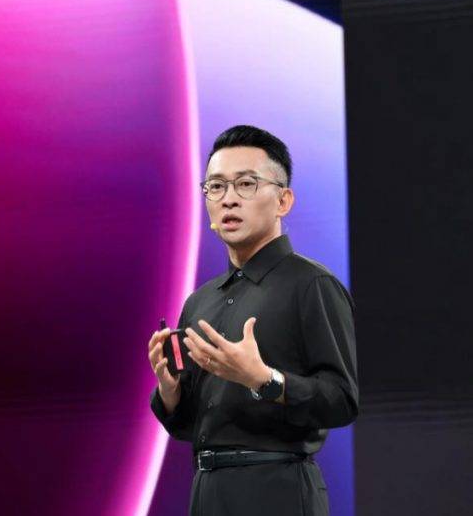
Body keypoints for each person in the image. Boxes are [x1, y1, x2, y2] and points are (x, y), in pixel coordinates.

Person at [146, 125, 359, 516]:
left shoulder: (312, 284)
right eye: (215, 187)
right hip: (207, 490)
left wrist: (263, 379)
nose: (228, 199)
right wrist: (171, 392)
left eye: (245, 184)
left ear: (283, 201)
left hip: (277, 489)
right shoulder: (199, 301)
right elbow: (190, 426)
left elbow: (342, 401)